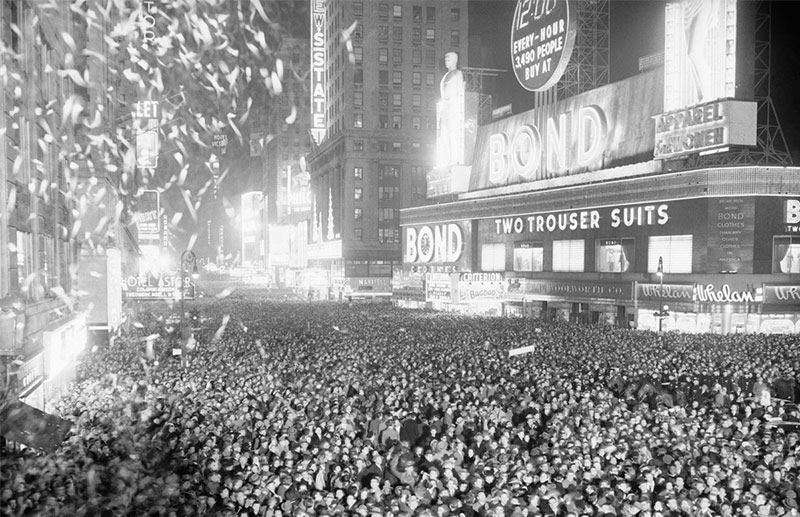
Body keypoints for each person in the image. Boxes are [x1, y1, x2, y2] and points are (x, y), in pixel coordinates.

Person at [438, 51, 465, 167]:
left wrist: (458, 108)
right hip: (444, 108)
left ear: (455, 60)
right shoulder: (444, 76)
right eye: (445, 59)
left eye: (448, 59)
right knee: (443, 134)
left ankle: (454, 159)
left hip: (453, 108)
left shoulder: (458, 73)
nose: (446, 61)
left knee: (452, 133)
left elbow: (461, 91)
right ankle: (446, 160)